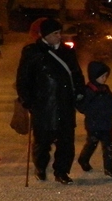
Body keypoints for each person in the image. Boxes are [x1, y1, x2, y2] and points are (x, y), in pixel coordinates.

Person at [15, 17, 84, 184]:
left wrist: (80, 92)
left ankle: (62, 172)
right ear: (45, 35)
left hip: (65, 104)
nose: (59, 36)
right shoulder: (33, 52)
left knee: (66, 141)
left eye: (59, 33)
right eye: (55, 33)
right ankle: (40, 167)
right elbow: (23, 79)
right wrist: (27, 100)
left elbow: (76, 74)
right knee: (42, 142)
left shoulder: (67, 52)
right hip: (43, 106)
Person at [77, 60, 112, 178]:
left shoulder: (105, 90)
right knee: (92, 144)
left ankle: (109, 168)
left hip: (107, 124)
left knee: (109, 146)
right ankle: (83, 159)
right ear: (94, 76)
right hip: (93, 125)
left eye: (106, 76)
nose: (105, 79)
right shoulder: (88, 91)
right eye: (102, 76)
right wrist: (82, 101)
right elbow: (82, 107)